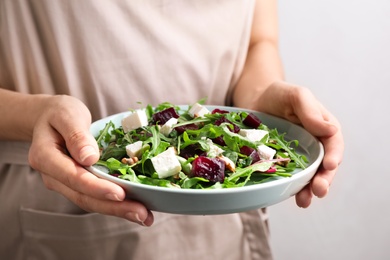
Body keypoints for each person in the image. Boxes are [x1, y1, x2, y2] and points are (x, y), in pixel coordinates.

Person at [0, 0, 343, 259]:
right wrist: (34, 115)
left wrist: (259, 100)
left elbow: (258, 40)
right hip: (61, 205)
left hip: (225, 215)